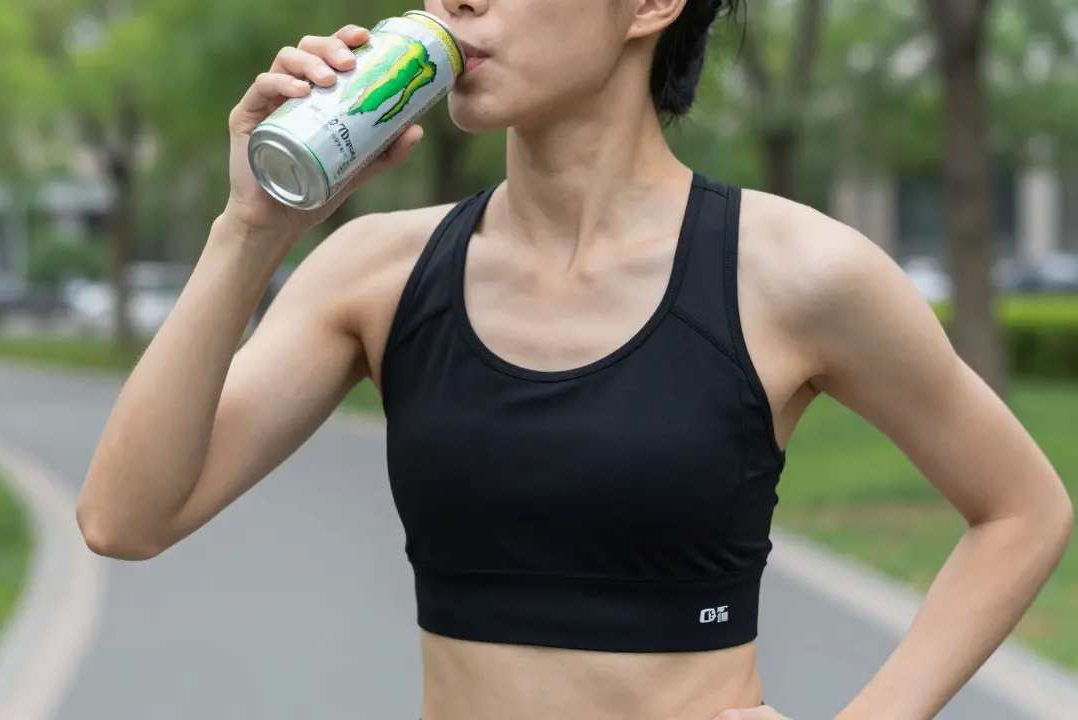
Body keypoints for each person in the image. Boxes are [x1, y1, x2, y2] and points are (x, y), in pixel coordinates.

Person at [76, 1, 1074, 718]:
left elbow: (1022, 510)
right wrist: (250, 230)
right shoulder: (376, 272)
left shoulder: (793, 272)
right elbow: (125, 519)